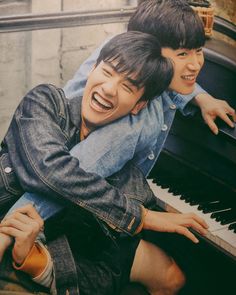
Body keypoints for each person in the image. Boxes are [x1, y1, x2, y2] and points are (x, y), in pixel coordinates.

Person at [0, 0, 235, 294]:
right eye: (183, 54)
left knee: (171, 275)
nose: (196, 63)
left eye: (198, 51)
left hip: (91, 205)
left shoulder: (134, 60)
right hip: (63, 213)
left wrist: (199, 97)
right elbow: (60, 178)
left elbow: (167, 71)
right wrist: (6, 238)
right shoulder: (125, 126)